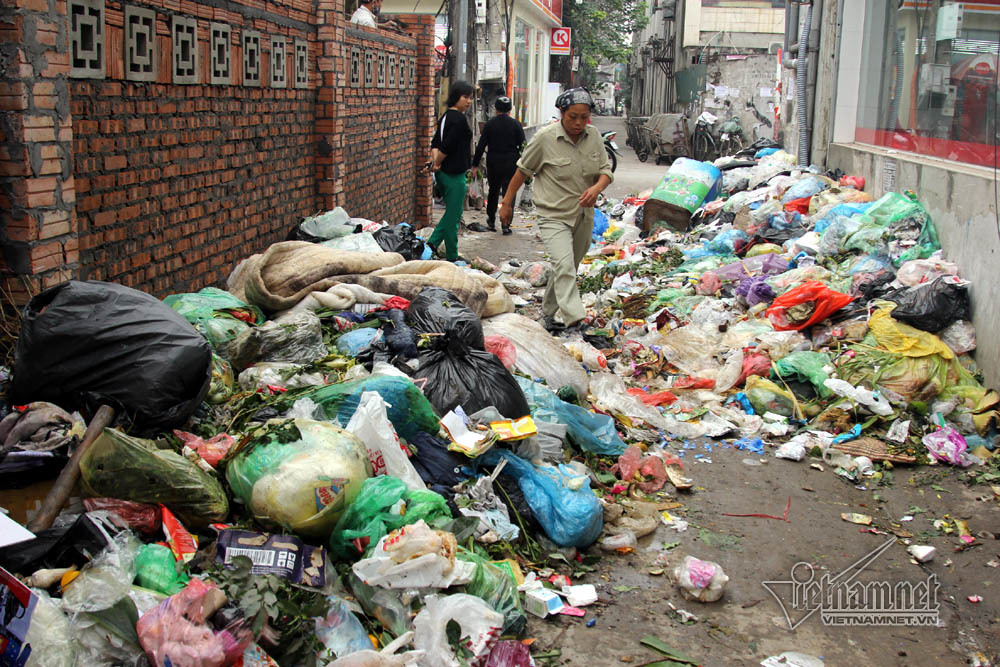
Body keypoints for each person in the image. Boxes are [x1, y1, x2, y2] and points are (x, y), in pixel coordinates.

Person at [498, 87, 613, 333]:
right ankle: (575, 320)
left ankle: (548, 314)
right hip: (553, 215)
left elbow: (606, 171)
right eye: (573, 117)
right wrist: (506, 203)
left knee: (568, 265)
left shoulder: (593, 136)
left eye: (584, 117)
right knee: (564, 265)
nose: (579, 123)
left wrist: (597, 188)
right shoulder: (545, 138)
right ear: (562, 113)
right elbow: (522, 171)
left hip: (583, 214)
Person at [427, 80, 474, 262]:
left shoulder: (446, 117)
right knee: (453, 216)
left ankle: (451, 254)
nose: (468, 101)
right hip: (454, 175)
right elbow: (447, 145)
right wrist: (437, 162)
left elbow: (435, 143)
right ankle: (431, 247)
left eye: (470, 98)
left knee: (452, 215)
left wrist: (435, 163)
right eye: (465, 97)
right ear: (456, 97)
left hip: (444, 173)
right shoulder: (459, 119)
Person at [471, 96, 525, 234]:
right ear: (510, 109)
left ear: (496, 108)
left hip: (494, 162)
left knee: (493, 192)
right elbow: (524, 146)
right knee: (509, 192)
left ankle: (491, 220)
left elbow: (481, 146)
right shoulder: (516, 125)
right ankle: (506, 224)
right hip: (511, 163)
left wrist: (475, 165)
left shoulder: (490, 125)